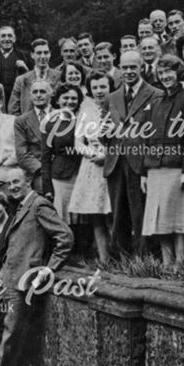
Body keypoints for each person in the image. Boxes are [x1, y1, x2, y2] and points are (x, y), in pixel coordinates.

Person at [0, 168, 72, 366]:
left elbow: (64, 237)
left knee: (11, 330)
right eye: (9, 183)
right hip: (5, 276)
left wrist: (47, 268)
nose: (13, 186)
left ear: (28, 181)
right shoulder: (18, 206)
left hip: (24, 278)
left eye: (16, 181)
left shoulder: (39, 205)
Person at [140, 55, 184, 272]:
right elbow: (146, 138)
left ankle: (181, 261)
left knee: (179, 216)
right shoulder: (155, 102)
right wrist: (143, 172)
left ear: (178, 73)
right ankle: (167, 262)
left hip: (177, 168)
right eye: (161, 73)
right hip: (155, 168)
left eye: (169, 72)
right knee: (160, 217)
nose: (165, 76)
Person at [103, 49, 162, 259]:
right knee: (119, 213)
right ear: (120, 69)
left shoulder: (155, 94)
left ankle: (145, 258)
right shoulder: (112, 97)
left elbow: (157, 134)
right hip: (116, 162)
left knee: (141, 212)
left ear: (141, 68)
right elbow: (105, 131)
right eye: (125, 67)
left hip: (140, 162)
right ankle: (122, 258)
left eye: (133, 67)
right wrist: (105, 133)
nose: (128, 71)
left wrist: (149, 164)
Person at [68, 71, 113, 265]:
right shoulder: (85, 111)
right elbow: (78, 142)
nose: (99, 91)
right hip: (92, 166)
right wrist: (92, 154)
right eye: (95, 87)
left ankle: (121, 258)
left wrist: (107, 155)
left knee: (113, 213)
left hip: (113, 164)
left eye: (103, 86)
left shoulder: (117, 106)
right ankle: (104, 260)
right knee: (97, 214)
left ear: (110, 87)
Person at [42, 83, 83, 223]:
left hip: (82, 174)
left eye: (74, 98)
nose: (70, 101)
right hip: (60, 177)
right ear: (57, 100)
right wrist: (47, 187)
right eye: (65, 98)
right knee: (63, 219)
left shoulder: (84, 120)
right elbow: (45, 157)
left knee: (82, 220)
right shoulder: (50, 124)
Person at [14, 78, 53, 193]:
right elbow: (22, 155)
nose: (38, 95)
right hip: (37, 172)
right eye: (35, 92)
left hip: (59, 170)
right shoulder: (21, 121)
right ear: (30, 95)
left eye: (43, 92)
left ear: (51, 94)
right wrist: (43, 170)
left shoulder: (61, 116)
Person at [9, 39, 61, 115]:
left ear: (50, 54)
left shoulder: (59, 76)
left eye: (46, 53)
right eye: (39, 53)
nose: (43, 56)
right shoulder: (21, 80)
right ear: (32, 55)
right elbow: (13, 109)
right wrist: (23, 124)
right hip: (28, 124)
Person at [0, 25, 30, 94]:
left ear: (14, 39)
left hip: (18, 95)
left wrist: (25, 68)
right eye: (3, 36)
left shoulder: (24, 56)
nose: (7, 39)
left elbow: (32, 78)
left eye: (10, 36)